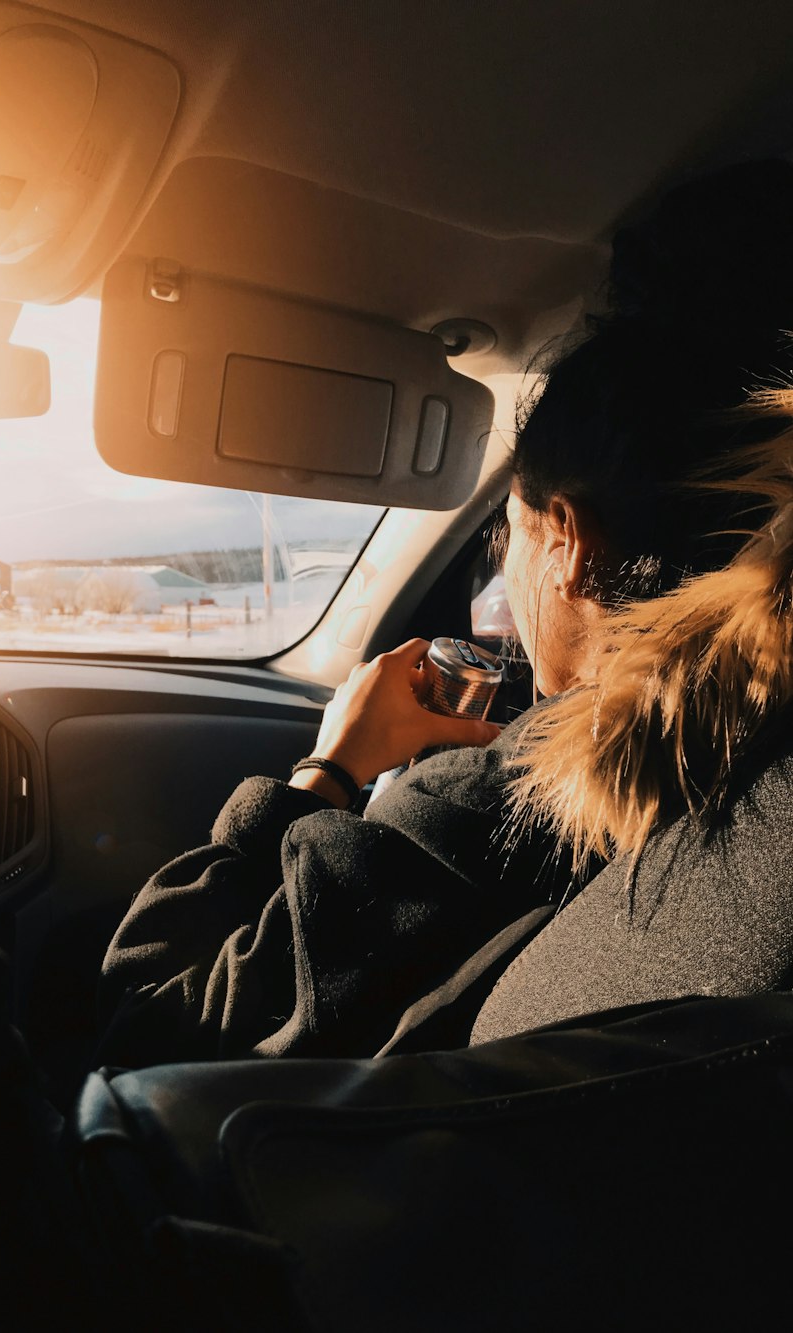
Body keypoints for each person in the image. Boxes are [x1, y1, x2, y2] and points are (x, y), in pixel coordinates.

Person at [96, 157, 793, 1069]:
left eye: (509, 536)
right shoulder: (751, 763)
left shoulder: (507, 806)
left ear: (568, 544)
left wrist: (330, 769)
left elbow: (148, 1008)